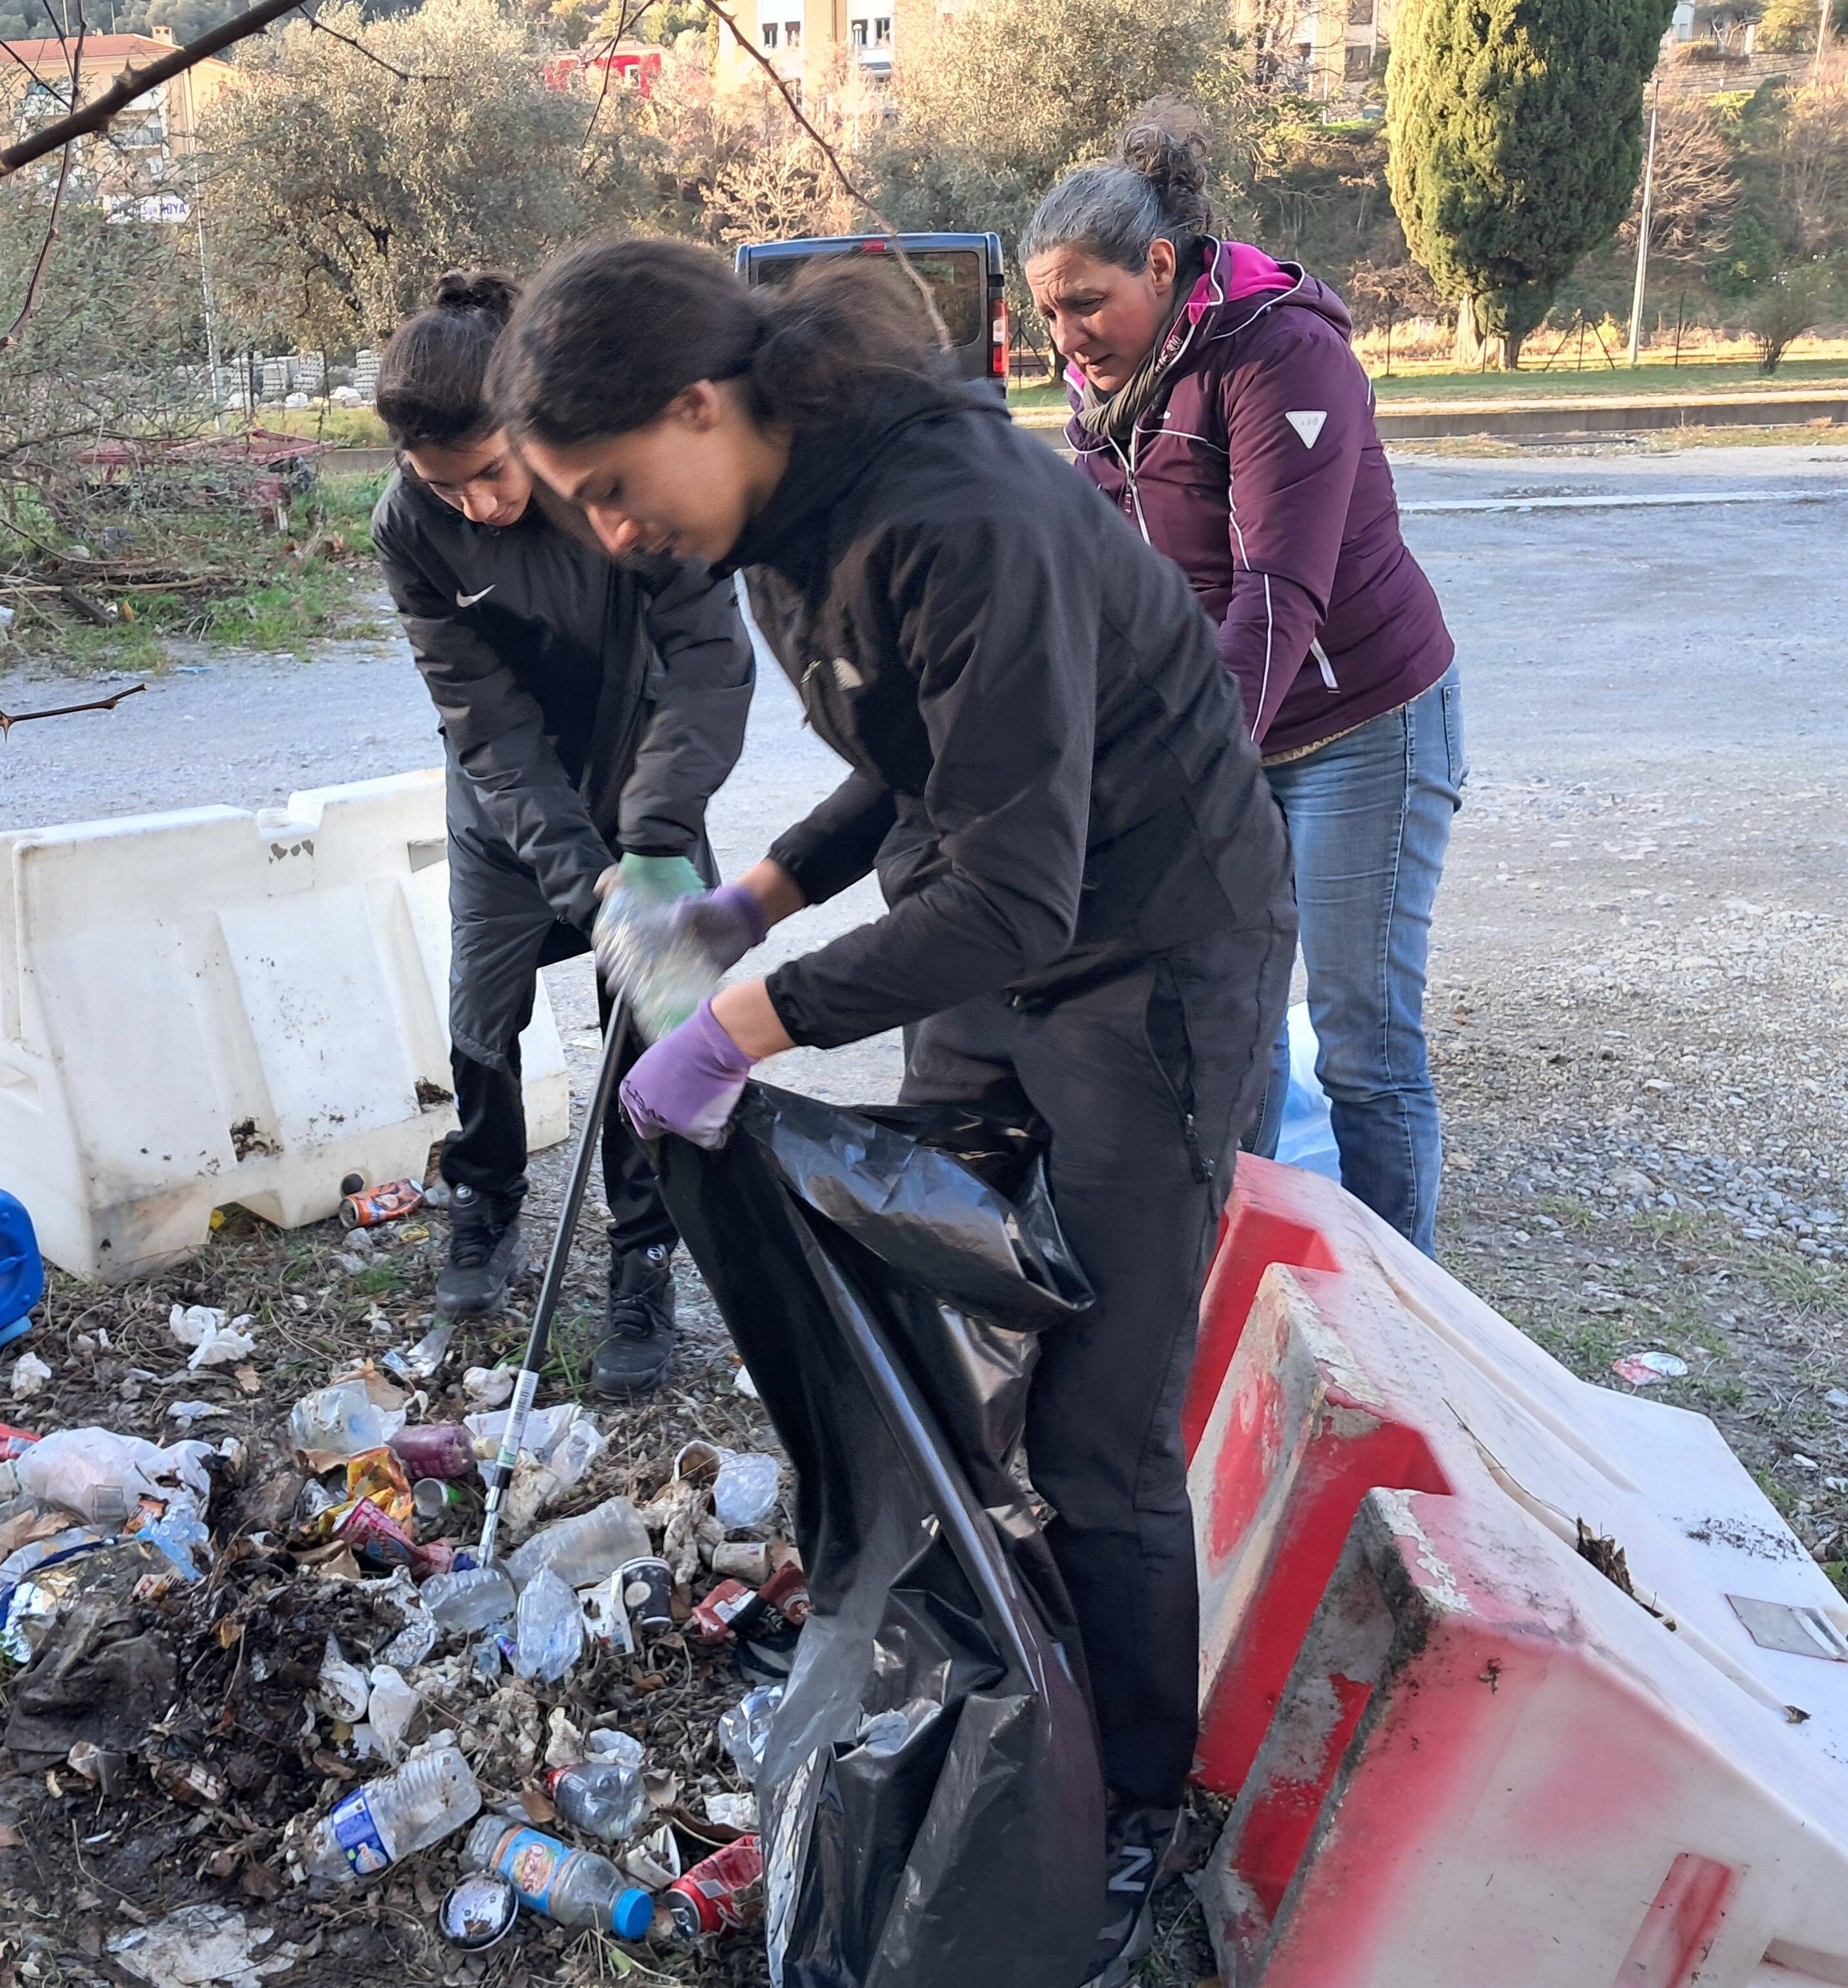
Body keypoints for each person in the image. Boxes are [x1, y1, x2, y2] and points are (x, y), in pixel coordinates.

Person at [488, 238, 1294, 1985]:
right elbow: (922, 751)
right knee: (947, 1335)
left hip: (1150, 952)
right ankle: (972, 1667)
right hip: (1001, 924)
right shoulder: (786, 512)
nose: (613, 534)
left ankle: (1135, 1816)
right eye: (583, 506)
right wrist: (758, 896)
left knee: (1096, 1428)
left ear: (704, 406)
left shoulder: (961, 513)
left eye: (616, 489)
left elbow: (1013, 885)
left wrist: (743, 1021)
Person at [1023, 118, 1465, 1255]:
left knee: (1363, 1041)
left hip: (1361, 721)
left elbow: (1279, 589)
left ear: (1160, 267)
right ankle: (1251, 1285)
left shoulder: (1283, 354)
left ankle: (1399, 1326)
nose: (1066, 338)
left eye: (1087, 303)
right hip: (1230, 729)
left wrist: (1187, 773)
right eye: (1050, 311)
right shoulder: (1115, 380)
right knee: (1234, 1024)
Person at [369, 270, 753, 1396]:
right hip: (510, 813)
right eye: (449, 489)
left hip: (653, 796)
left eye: (494, 473)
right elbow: (487, 723)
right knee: (482, 1019)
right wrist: (582, 882)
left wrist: (654, 838)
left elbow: (712, 658)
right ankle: (483, 1208)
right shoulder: (412, 527)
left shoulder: (611, 476)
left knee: (656, 1032)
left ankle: (643, 1259)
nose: (480, 505)